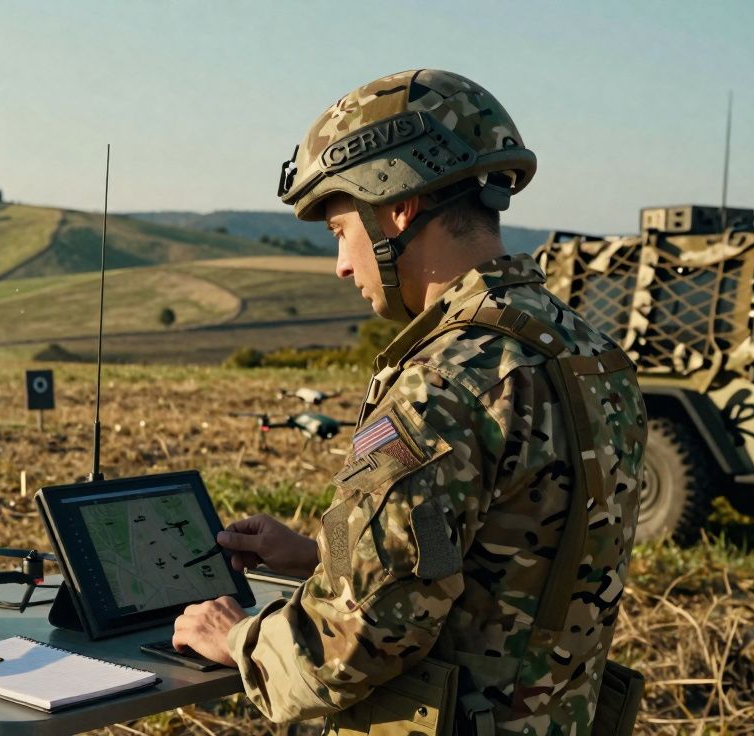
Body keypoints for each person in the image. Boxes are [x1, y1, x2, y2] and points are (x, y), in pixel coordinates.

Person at [172, 69, 647, 734]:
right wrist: (325, 558)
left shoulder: (444, 381)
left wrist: (240, 639)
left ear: (398, 208)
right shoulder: (589, 354)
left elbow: (355, 646)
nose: (341, 264)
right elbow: (507, 563)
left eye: (342, 231)